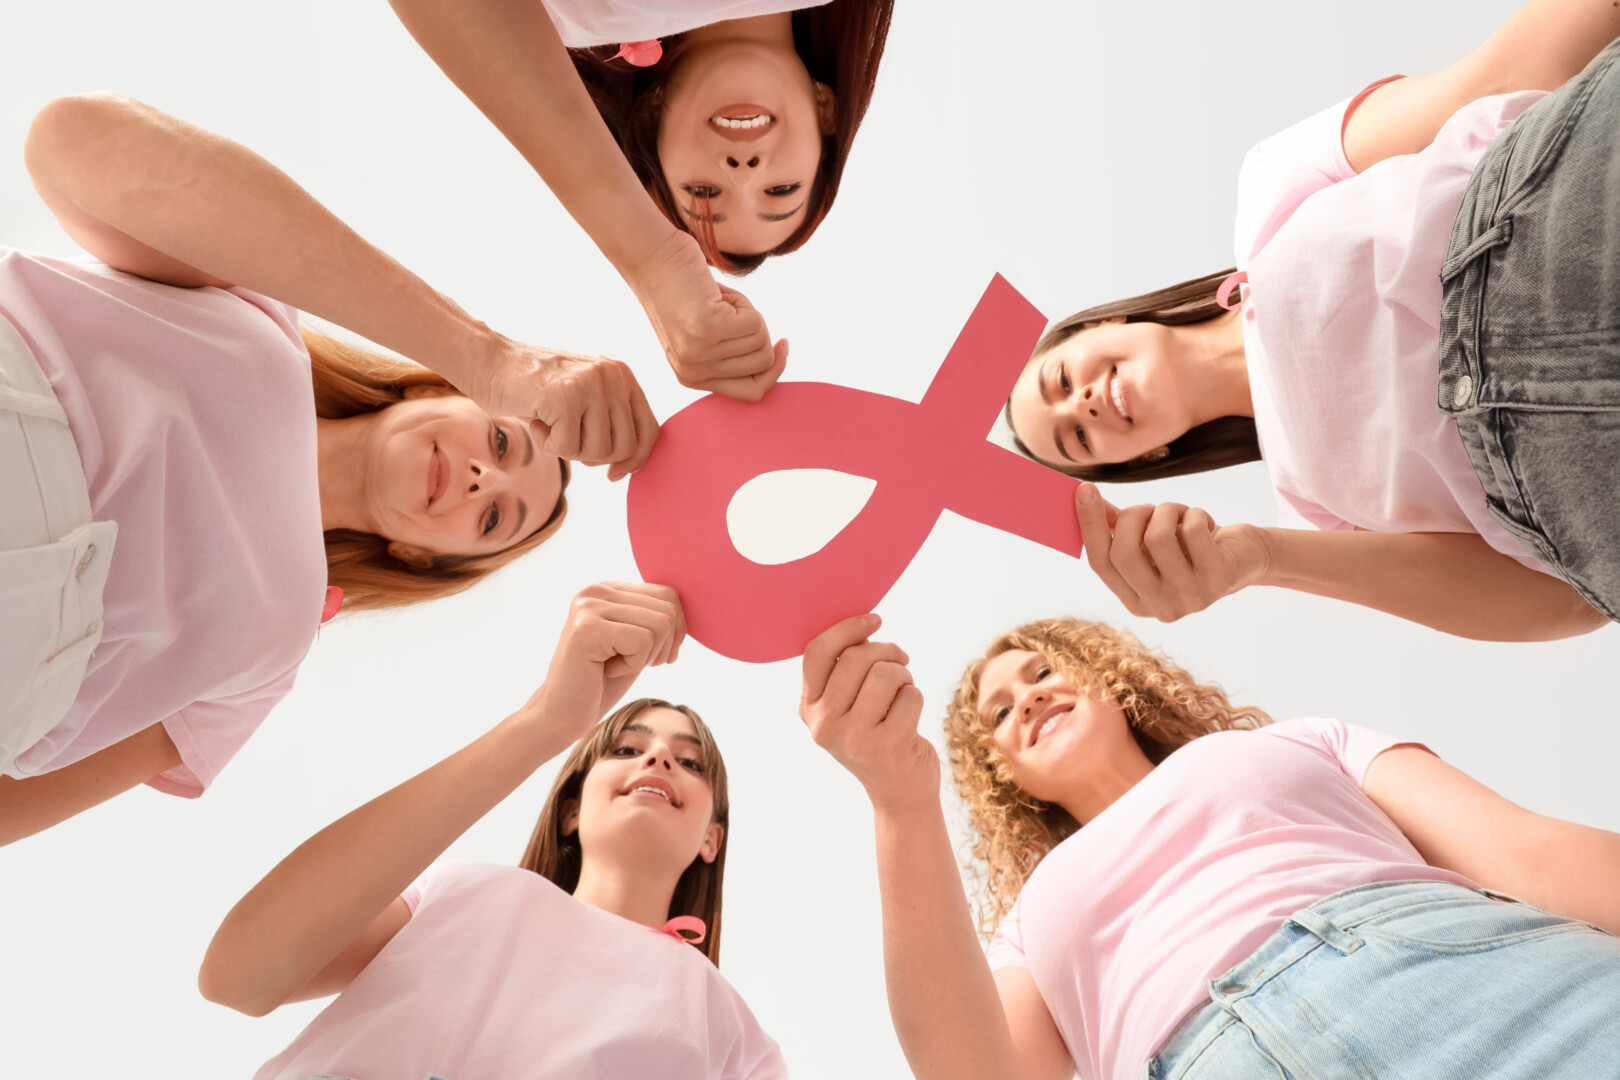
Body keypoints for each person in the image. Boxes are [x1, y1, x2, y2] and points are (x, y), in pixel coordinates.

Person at [0, 94, 656, 843]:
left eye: (494, 518)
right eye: (503, 445)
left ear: (424, 557)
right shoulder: (258, 316)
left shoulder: (267, 662)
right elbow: (72, 141)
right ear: (439, 388)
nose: (484, 479)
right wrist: (490, 355)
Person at [1002, 0, 1620, 641]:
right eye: (1077, 438)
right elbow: (1568, 594)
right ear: (1145, 458)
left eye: (1060, 380)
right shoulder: (1312, 509)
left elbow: (1493, 79)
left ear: (1106, 323)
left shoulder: (1272, 187)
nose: (1084, 405)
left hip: (1569, 210)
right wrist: (1259, 558)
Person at [798, 613, 1620, 1080]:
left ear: (1106, 679)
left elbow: (1530, 854)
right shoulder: (1021, 925)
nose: (1028, 701)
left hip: (1478, 981)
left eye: (1039, 673)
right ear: (1004, 774)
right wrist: (900, 805)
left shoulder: (1310, 737)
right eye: (1001, 714)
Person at [202, 582, 786, 1080]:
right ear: (570, 810)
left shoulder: (731, 1035)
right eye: (627, 748)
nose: (657, 758)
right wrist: (542, 725)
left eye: (689, 762)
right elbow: (236, 977)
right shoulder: (460, 893)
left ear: (713, 836)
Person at [388, 0, 893, 399]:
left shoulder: (576, 16)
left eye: (704, 192)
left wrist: (655, 262)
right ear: (825, 113)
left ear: (653, 122)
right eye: (780, 191)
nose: (743, 173)